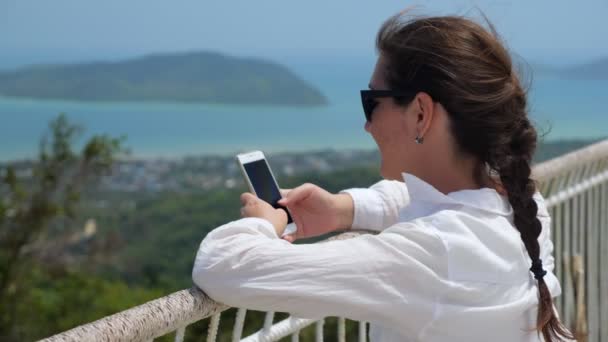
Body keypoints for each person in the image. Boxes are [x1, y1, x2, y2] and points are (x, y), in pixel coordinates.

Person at [192, 12, 574, 342]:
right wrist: (344, 209)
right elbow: (418, 202)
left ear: (421, 113)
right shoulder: (521, 205)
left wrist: (264, 225)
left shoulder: (432, 256)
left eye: (371, 101)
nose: (366, 124)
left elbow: (223, 265)